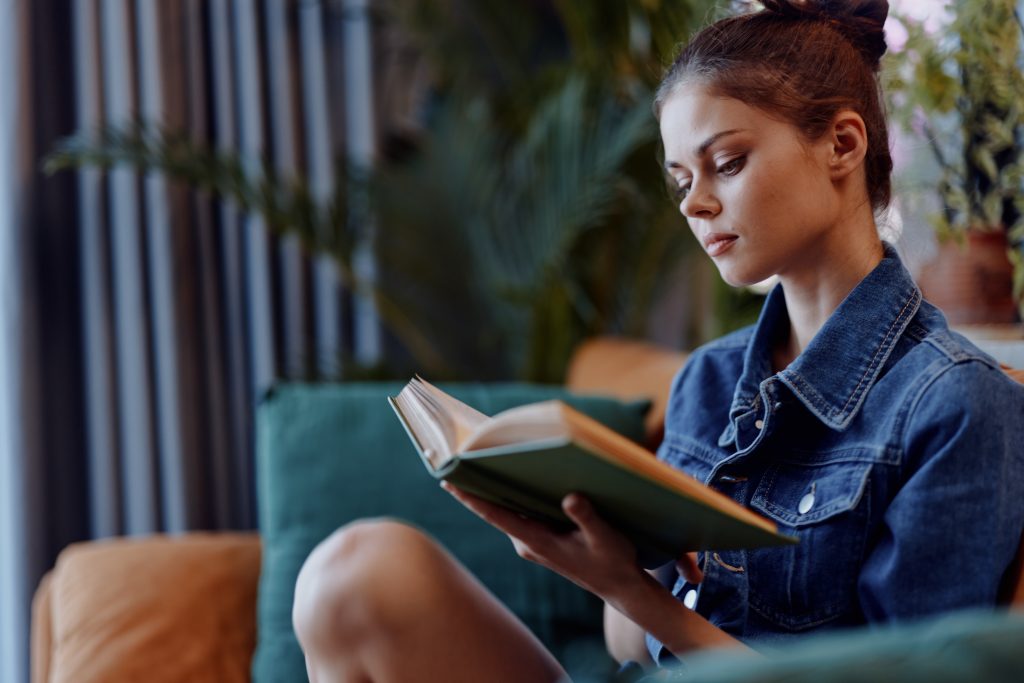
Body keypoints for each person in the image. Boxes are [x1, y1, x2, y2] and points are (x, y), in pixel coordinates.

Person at [291, 0, 1024, 680]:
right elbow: (624, 642)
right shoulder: (708, 381)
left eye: (726, 163)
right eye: (680, 182)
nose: (697, 204)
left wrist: (627, 589)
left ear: (842, 142)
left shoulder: (955, 403)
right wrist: (608, 554)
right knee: (356, 572)